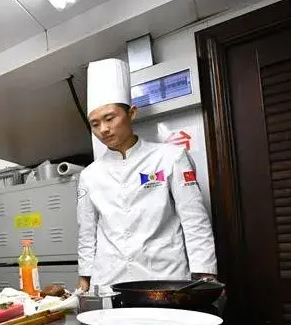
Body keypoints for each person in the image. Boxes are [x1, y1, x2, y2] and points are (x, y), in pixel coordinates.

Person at [76, 58, 217, 292]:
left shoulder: (171, 157)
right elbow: (87, 230)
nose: (103, 129)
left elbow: (194, 220)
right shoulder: (90, 175)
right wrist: (85, 277)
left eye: (110, 118)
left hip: (164, 276)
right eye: (95, 123)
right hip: (110, 279)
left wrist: (205, 273)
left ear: (131, 113)